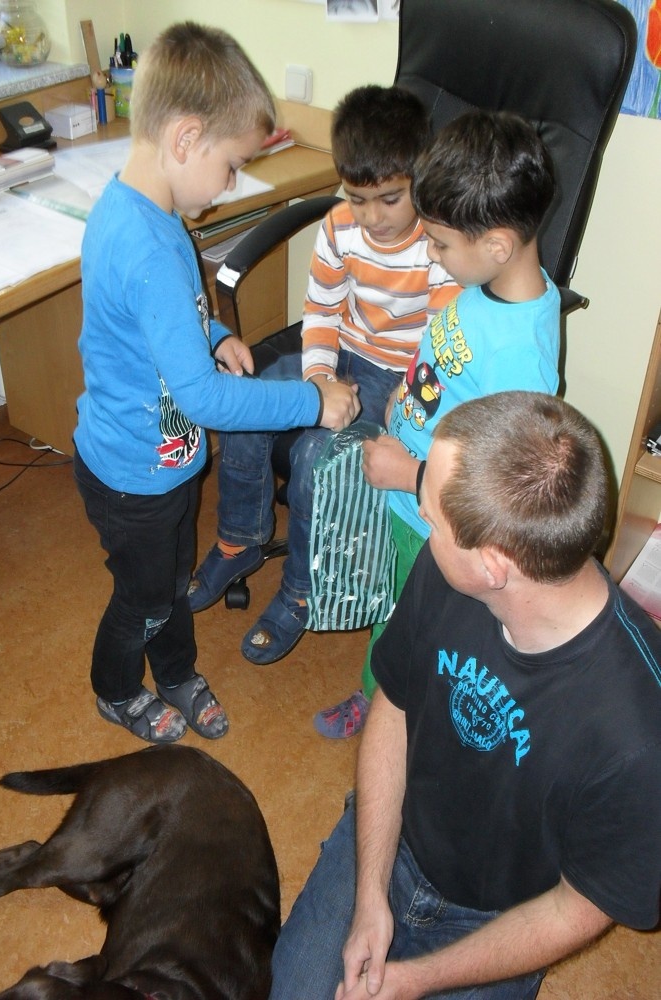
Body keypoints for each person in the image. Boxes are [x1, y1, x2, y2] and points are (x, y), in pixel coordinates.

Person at [270, 389, 661, 1000]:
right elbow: (394, 705)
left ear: (493, 565)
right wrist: (370, 894)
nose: (425, 526)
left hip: (504, 919)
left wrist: (415, 980)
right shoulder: (447, 569)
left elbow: (578, 907)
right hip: (389, 839)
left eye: (431, 519)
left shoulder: (640, 734)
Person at [72, 22, 360, 745]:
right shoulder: (145, 245)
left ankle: (175, 671)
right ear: (186, 139)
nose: (231, 183)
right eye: (231, 165)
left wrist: (214, 334)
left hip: (159, 463)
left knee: (168, 585)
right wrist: (312, 400)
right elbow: (202, 398)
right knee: (143, 597)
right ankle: (116, 689)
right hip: (132, 476)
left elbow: (163, 319)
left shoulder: (149, 210)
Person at [188, 84, 458, 666]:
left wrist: (405, 398)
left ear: (421, 180)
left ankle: (302, 589)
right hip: (339, 355)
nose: (373, 217)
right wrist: (317, 379)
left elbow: (440, 345)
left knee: (316, 457)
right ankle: (240, 539)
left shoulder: (439, 246)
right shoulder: (339, 227)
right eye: (357, 199)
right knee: (247, 402)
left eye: (390, 199)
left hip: (398, 378)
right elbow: (322, 311)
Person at [315, 109, 561, 739]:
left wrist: (410, 474)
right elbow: (446, 360)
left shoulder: (520, 358)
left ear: (496, 245)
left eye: (441, 244)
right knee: (393, 610)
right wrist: (407, 392)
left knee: (412, 624)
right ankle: (381, 691)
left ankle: (390, 713)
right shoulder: (484, 285)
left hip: (435, 517)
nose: (431, 252)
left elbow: (501, 482)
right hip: (408, 491)